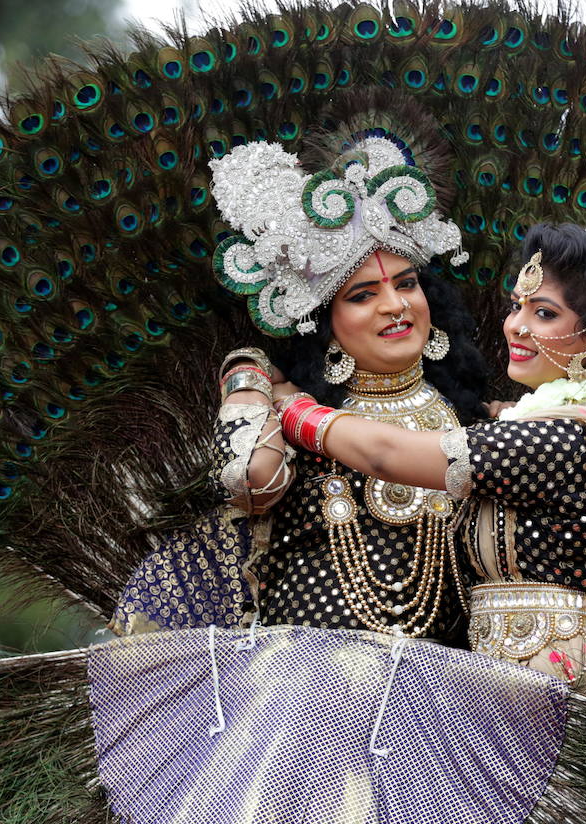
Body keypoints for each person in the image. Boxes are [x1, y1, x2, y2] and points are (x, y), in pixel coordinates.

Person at [271, 221, 586, 737]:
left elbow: (384, 453)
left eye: (545, 314)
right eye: (516, 307)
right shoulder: (576, 423)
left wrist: (293, 409)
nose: (516, 327)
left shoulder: (554, 438)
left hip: (549, 686)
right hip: (500, 682)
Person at [112, 107, 486, 648]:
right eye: (363, 295)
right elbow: (249, 479)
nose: (395, 306)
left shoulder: (477, 420)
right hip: (300, 699)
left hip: (444, 702)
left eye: (406, 285)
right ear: (326, 325)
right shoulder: (284, 410)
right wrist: (249, 380)